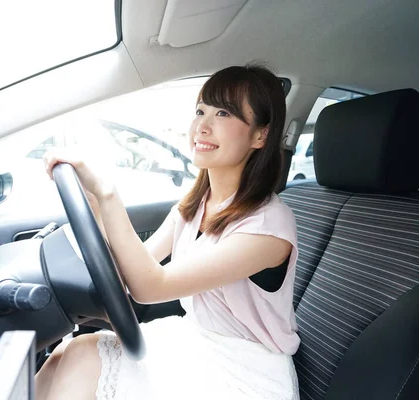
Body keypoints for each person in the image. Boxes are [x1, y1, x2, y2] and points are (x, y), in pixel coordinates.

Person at [37, 64, 300, 400]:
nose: (202, 126)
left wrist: (108, 194)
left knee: (83, 356)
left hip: (245, 374)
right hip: (196, 344)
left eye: (223, 113)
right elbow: (131, 270)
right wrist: (96, 209)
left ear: (260, 135)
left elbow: (149, 286)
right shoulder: (195, 205)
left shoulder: (268, 226)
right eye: (200, 110)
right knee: (67, 352)